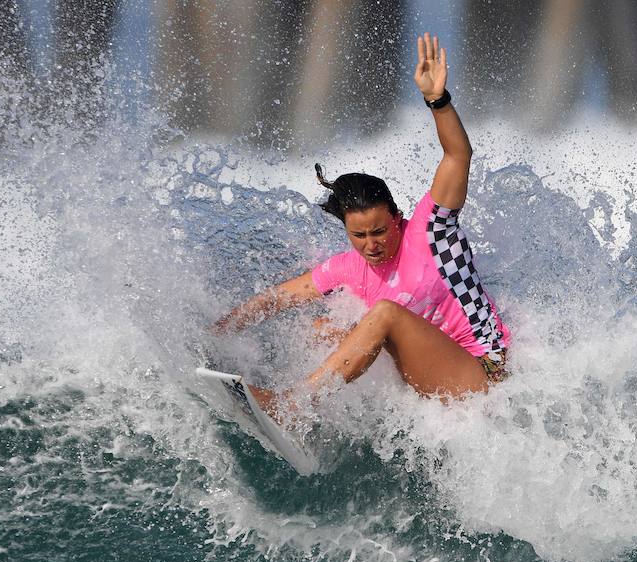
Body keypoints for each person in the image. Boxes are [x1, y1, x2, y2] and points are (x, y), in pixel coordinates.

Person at [213, 33, 510, 406]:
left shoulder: (432, 230)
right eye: (359, 235)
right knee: (323, 328)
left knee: (384, 314)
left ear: (397, 218)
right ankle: (321, 421)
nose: (372, 244)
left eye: (380, 231)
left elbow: (458, 155)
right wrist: (218, 331)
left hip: (485, 373)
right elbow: (280, 297)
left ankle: (293, 404)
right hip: (432, 382)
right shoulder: (348, 268)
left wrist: (438, 101)